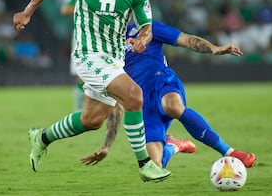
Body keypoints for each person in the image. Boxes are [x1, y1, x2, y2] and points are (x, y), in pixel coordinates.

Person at [12, 0, 171, 182]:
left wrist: (143, 38)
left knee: (91, 120)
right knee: (134, 96)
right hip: (88, 56)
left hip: (114, 59)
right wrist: (28, 10)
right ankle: (145, 164)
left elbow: (146, 26)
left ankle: (41, 137)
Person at [81, 20, 257, 169]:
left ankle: (230, 152)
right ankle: (173, 146)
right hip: (140, 102)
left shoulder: (146, 27)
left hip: (161, 81)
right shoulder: (104, 48)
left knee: (172, 106)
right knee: (154, 166)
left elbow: (186, 40)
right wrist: (106, 146)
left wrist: (214, 48)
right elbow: (114, 101)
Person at [60, 0, 106, 112]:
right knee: (81, 75)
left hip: (106, 36)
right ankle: (80, 112)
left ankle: (103, 109)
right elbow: (65, 9)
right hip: (83, 36)